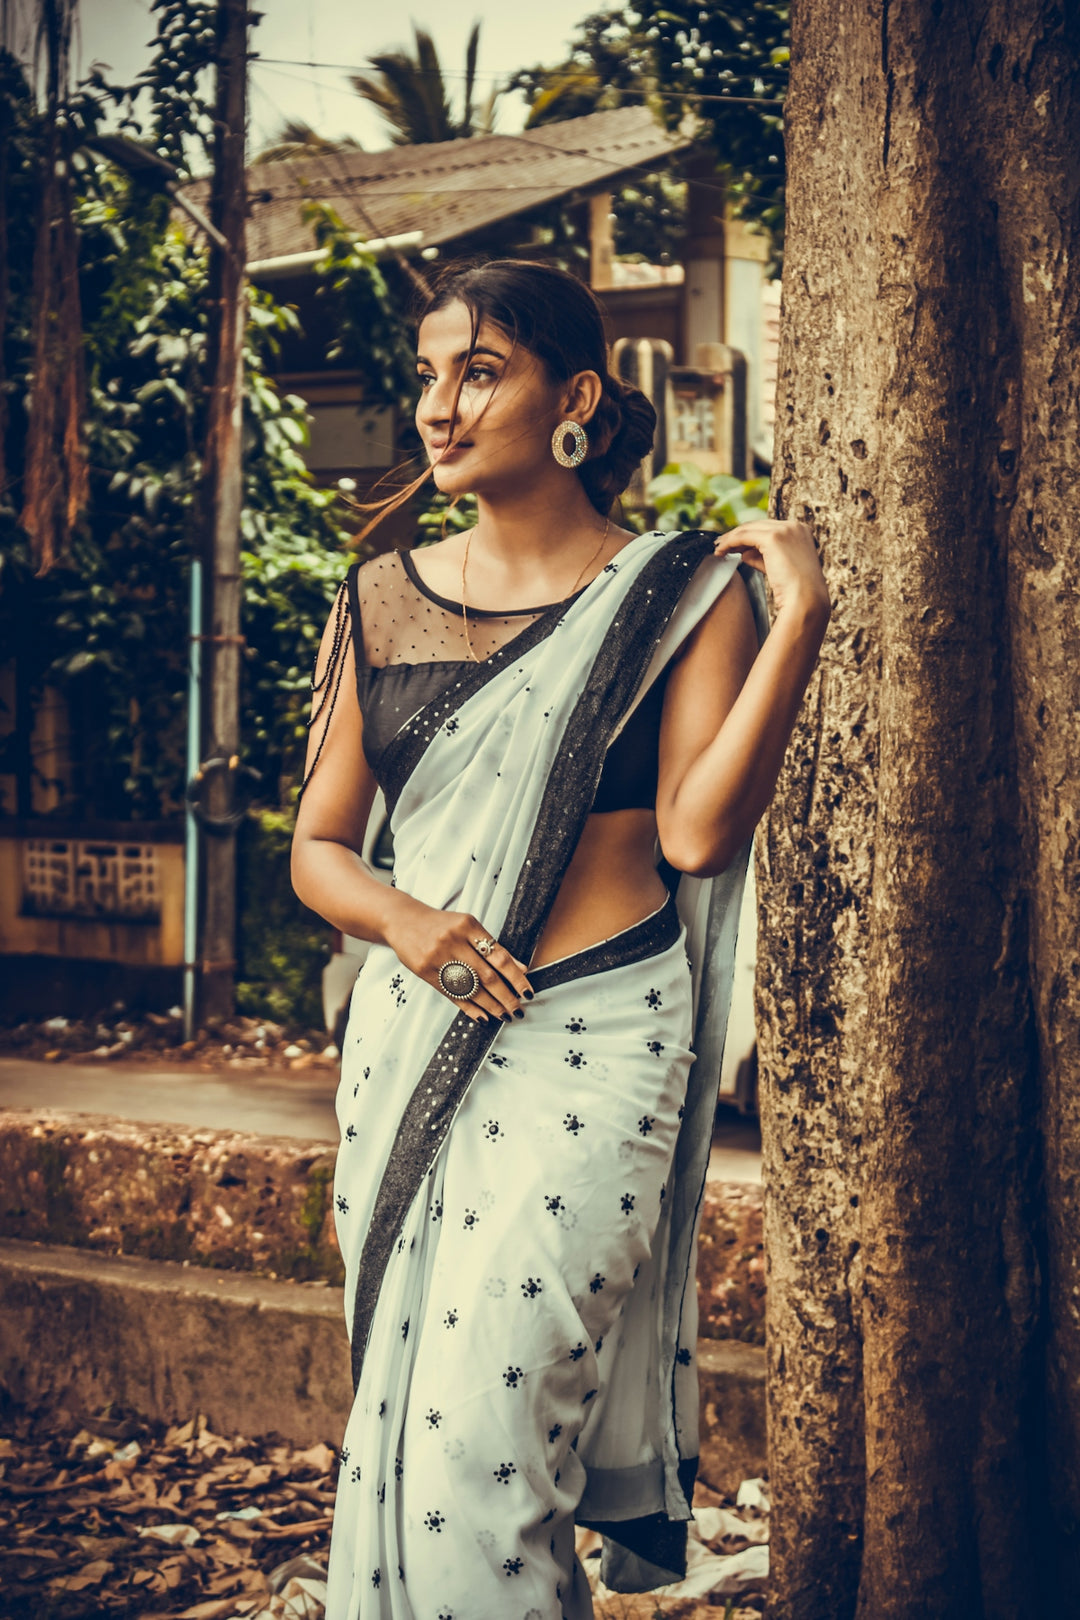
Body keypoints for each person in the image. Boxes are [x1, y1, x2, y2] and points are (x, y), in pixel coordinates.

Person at [291, 258, 829, 1619]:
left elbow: (701, 833)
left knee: (490, 1438)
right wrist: (408, 924)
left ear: (575, 396)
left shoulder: (678, 593)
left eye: (481, 372)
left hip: (594, 1043)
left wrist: (800, 622)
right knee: (402, 1436)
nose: (439, 406)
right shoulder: (380, 599)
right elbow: (318, 849)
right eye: (428, 374)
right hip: (419, 1030)